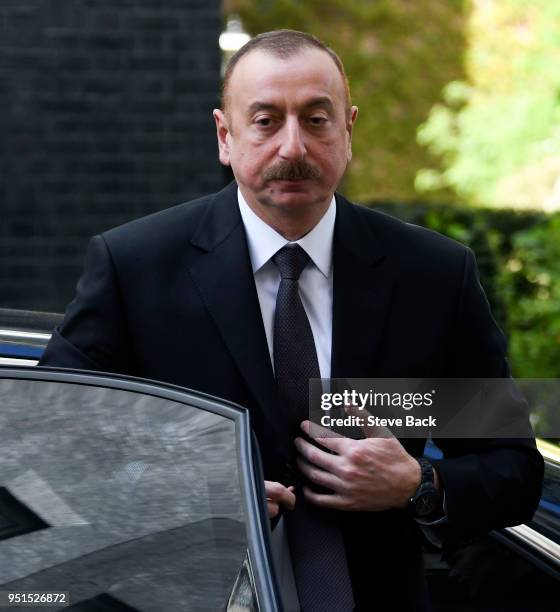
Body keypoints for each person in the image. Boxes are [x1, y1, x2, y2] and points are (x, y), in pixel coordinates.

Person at [40, 29, 543, 611]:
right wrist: (182, 495)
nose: (294, 147)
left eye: (316, 119)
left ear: (348, 130)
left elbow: (512, 467)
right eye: (265, 121)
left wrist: (420, 486)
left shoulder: (430, 277)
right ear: (224, 136)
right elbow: (52, 451)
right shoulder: (135, 269)